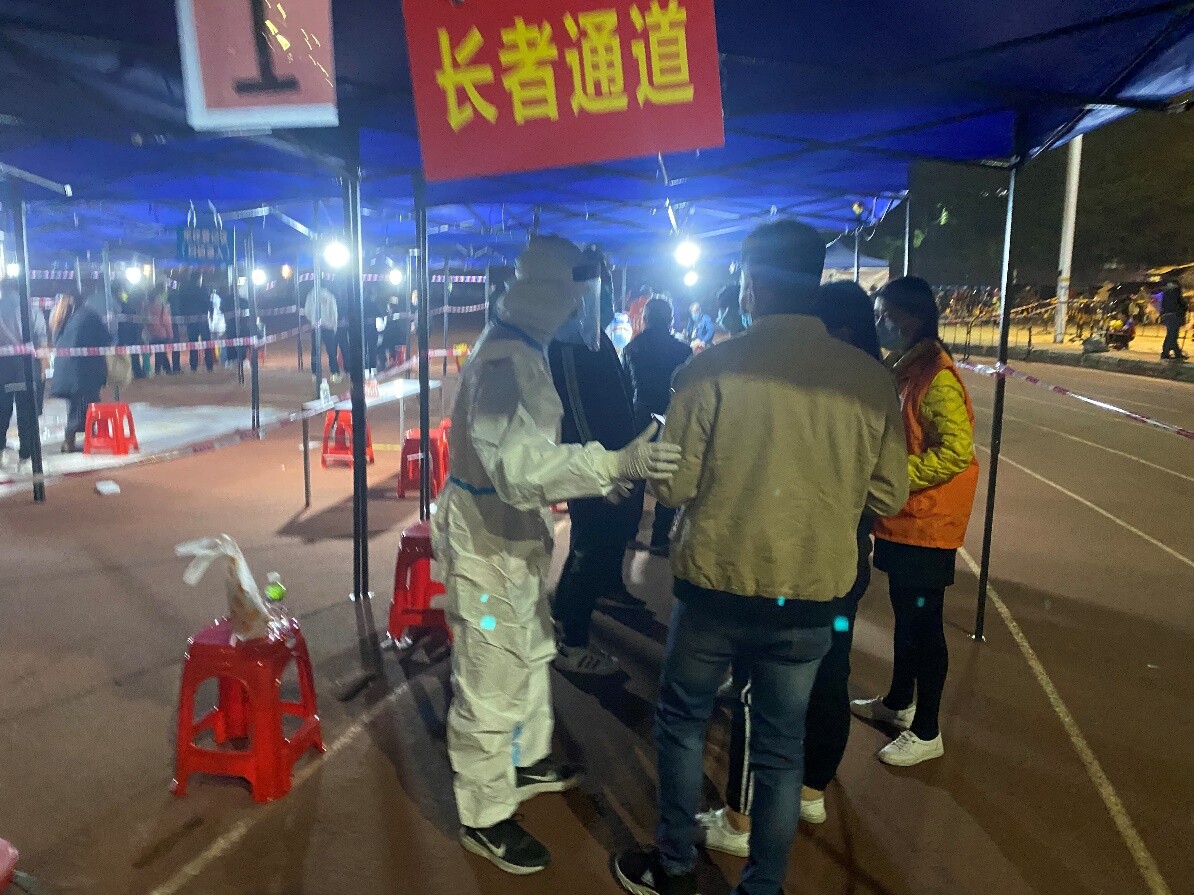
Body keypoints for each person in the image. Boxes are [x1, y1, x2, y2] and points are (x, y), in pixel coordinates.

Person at [613, 220, 908, 895]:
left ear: (752, 285)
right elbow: (889, 492)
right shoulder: (868, 379)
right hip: (810, 595)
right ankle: (763, 886)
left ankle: (674, 868)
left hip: (715, 586)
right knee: (780, 749)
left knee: (683, 722)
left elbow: (675, 487)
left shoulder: (707, 369)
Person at [431, 235, 681, 875]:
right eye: (578, 297)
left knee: (531, 646)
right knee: (490, 672)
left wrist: (600, 473)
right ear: (551, 294)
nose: (584, 310)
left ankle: (523, 759)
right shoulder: (503, 363)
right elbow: (517, 468)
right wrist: (612, 465)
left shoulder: (524, 349)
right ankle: (484, 813)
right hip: (486, 542)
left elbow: (531, 461)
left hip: (511, 538)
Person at [696, 280, 888, 858]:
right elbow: (889, 491)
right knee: (829, 673)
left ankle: (741, 820)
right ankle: (811, 790)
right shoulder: (871, 384)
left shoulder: (802, 379)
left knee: (764, 692)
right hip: (842, 562)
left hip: (791, 563)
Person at [851, 275, 980, 767]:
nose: (879, 323)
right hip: (906, 517)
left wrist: (895, 474)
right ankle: (899, 700)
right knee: (906, 617)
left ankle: (927, 729)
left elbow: (956, 452)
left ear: (912, 318)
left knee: (925, 625)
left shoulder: (937, 377)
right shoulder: (907, 366)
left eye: (885, 315)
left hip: (928, 523)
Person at [548, 249, 643, 677]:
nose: (605, 295)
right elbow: (580, 418)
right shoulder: (569, 344)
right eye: (597, 284)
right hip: (596, 467)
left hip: (613, 462)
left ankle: (573, 615)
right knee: (588, 546)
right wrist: (601, 474)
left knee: (598, 544)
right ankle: (570, 640)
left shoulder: (593, 338)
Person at [623, 296, 692, 557]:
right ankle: (660, 538)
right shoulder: (683, 351)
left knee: (635, 475)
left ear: (645, 318)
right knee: (667, 473)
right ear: (670, 320)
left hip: (640, 415)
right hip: (671, 415)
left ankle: (629, 533)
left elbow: (626, 387)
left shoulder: (632, 348)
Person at [52, 287, 112, 453]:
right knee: (85, 406)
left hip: (66, 371)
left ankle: (77, 439)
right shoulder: (88, 315)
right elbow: (106, 338)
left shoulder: (60, 317)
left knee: (77, 406)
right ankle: (74, 440)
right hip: (84, 371)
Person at [0, 279, 47, 469]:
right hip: (26, 366)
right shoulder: (31, 308)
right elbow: (41, 340)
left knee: (2, 409)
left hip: (2, 366)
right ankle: (26, 455)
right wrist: (43, 369)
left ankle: (0, 449)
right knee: (27, 411)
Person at [302, 280, 340, 380]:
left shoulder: (311, 295)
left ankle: (315, 373)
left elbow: (307, 311)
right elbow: (334, 313)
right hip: (328, 327)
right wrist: (334, 326)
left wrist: (313, 321)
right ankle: (334, 373)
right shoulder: (330, 296)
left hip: (316, 327)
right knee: (331, 351)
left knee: (315, 351)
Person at [177, 271, 213, 372]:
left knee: (193, 344)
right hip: (202, 320)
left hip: (191, 321)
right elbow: (208, 303)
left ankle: (193, 366)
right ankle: (209, 365)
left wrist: (184, 318)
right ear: (199, 279)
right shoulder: (203, 290)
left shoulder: (185, 291)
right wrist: (211, 312)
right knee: (207, 343)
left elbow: (181, 305)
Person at [143, 283, 175, 375]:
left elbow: (144, 320)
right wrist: (170, 334)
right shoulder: (160, 305)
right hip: (161, 333)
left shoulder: (145, 306)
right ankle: (159, 371)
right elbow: (166, 321)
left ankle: (167, 369)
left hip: (150, 333)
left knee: (160, 352)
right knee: (160, 353)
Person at [1159, 282, 1188, 361]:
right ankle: (1166, 353)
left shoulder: (1165, 291)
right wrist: (1185, 307)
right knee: (1172, 335)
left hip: (1166, 315)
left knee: (1171, 334)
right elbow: (1181, 303)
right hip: (1175, 315)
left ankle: (1176, 353)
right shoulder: (1176, 290)